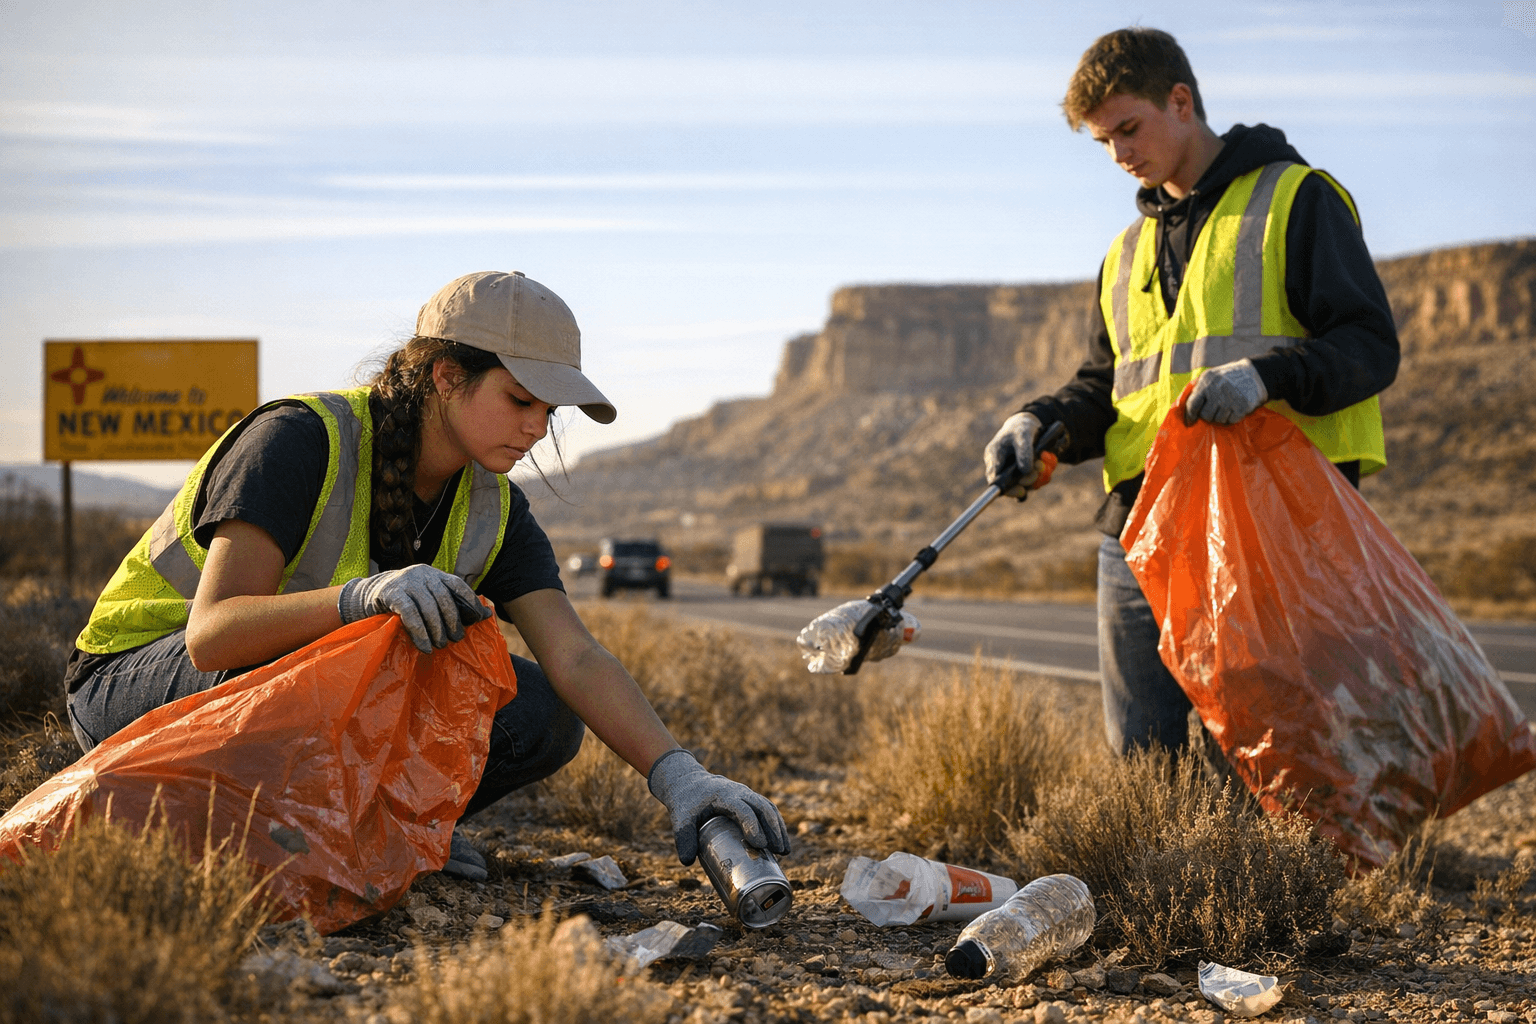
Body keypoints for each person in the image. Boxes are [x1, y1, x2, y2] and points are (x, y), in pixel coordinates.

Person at [64, 269, 790, 880]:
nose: (538, 427)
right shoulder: (300, 440)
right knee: (360, 649)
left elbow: (576, 656)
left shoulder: (494, 505)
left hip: (283, 702)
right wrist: (360, 598)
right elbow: (214, 636)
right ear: (447, 375)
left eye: (550, 410)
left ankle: (372, 835)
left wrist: (680, 775)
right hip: (138, 686)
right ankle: (331, 836)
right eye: (520, 399)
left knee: (539, 712)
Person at [982, 28, 1399, 755]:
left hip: (1266, 527)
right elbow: (1105, 387)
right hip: (1139, 534)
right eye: (1103, 141)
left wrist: (1265, 377)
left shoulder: (1296, 200)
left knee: (1258, 762)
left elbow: (1369, 347)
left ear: (1181, 101)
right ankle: (1150, 872)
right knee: (1142, 762)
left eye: (1129, 129)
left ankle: (1249, 875)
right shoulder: (1124, 254)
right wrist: (1039, 420)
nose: (1119, 156)